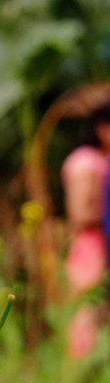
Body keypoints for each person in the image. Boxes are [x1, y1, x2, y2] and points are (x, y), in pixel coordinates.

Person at [61, 103, 110, 358]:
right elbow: (80, 213)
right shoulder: (86, 162)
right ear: (102, 128)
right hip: (89, 246)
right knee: (86, 312)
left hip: (99, 242)